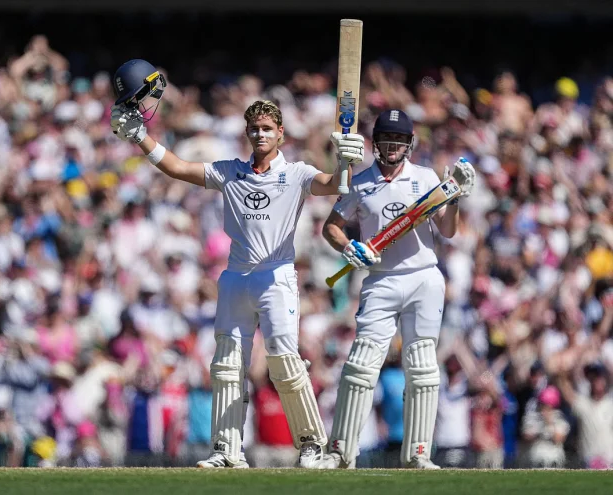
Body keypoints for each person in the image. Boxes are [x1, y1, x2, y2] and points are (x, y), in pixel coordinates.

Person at [109, 59, 365, 468]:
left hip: (276, 276)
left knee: (284, 361)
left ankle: (312, 444)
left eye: (267, 128)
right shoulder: (230, 172)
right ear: (247, 133)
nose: (260, 134)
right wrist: (141, 137)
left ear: (281, 133)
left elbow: (333, 185)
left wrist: (346, 162)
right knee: (227, 365)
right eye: (254, 128)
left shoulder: (296, 173)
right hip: (235, 277)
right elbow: (177, 167)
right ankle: (227, 451)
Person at [314, 109, 475, 469]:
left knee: (422, 366)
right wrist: (349, 247)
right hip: (380, 279)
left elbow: (448, 230)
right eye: (387, 139)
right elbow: (331, 227)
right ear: (375, 143)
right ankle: (341, 452)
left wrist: (455, 197)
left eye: (399, 140)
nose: (392, 146)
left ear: (409, 144)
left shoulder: (426, 177)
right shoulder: (359, 182)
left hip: (424, 278)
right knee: (361, 365)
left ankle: (418, 454)